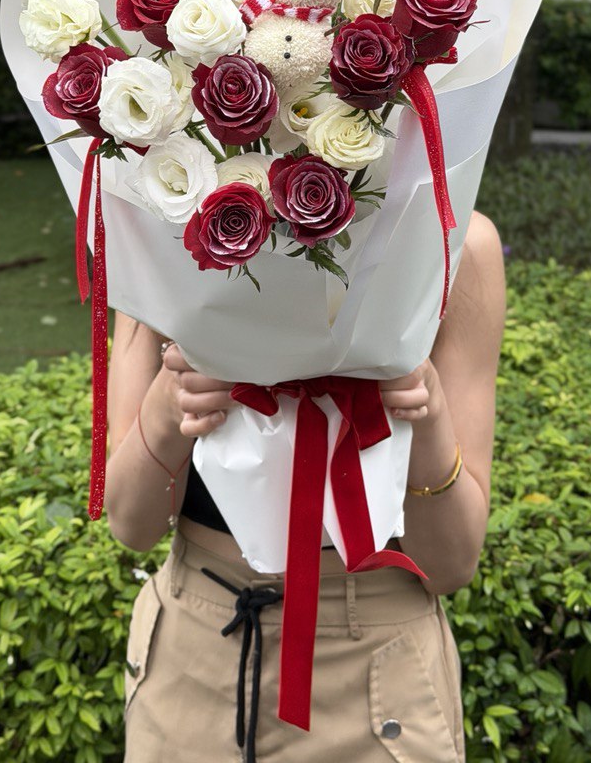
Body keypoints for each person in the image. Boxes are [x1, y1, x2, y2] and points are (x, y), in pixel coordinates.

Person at [105, 210, 507, 762]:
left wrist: (427, 412)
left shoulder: (452, 234)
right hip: (191, 657)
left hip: (376, 666)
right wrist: (169, 404)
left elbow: (452, 565)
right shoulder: (164, 222)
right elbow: (131, 524)